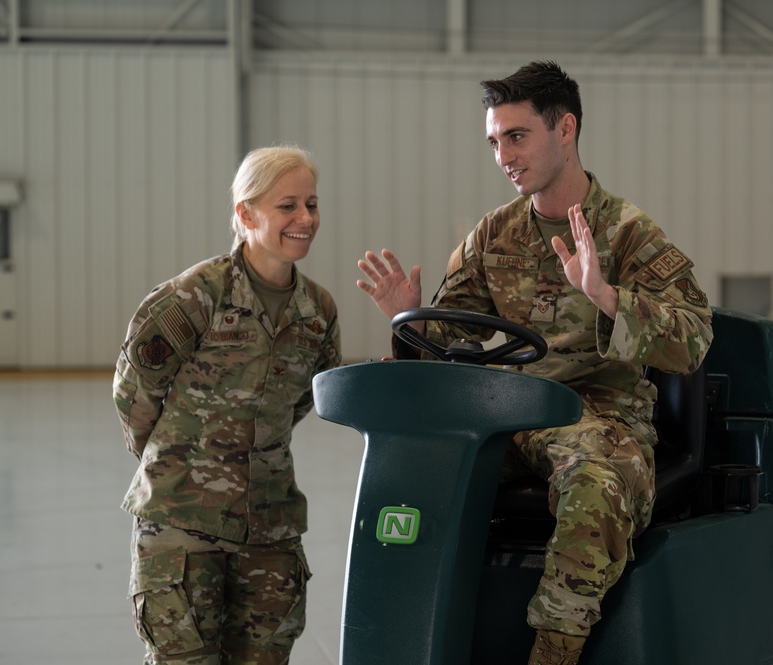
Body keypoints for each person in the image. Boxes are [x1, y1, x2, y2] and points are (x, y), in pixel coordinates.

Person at [356, 61, 713, 665]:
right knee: (409, 470)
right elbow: (452, 336)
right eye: (495, 141)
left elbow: (694, 339)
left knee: (594, 483)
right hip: (505, 410)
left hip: (597, 415)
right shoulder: (492, 235)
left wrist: (606, 296)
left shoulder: (627, 234)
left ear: (565, 130)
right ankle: (410, 638)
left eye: (516, 136)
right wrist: (411, 319)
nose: (502, 155)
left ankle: (553, 651)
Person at [114, 145, 342, 665]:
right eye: (288, 205)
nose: (305, 218)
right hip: (181, 525)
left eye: (312, 204)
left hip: (270, 527)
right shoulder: (193, 297)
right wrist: (178, 464)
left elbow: (305, 399)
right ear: (246, 213)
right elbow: (135, 393)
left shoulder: (318, 309)